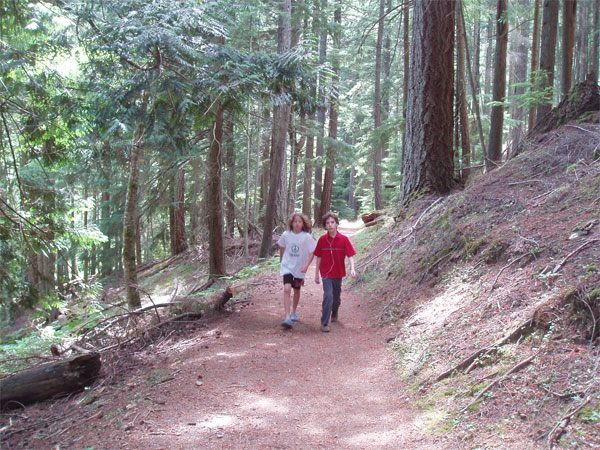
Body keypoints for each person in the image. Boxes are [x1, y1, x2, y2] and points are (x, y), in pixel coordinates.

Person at [303, 212, 356, 332]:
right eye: (327, 223)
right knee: (328, 295)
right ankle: (324, 322)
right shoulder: (322, 240)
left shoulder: (343, 239)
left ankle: (335, 313)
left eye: (332, 222)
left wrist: (352, 269)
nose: (330, 225)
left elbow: (350, 255)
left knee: (336, 298)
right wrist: (316, 274)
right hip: (326, 273)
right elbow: (319, 257)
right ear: (325, 226)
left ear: (336, 224)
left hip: (338, 272)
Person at [278, 213, 316, 329]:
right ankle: (287, 316)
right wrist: (282, 262)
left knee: (297, 290)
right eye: (295, 221)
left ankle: (294, 312)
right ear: (291, 223)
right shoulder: (286, 235)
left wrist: (306, 266)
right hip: (287, 266)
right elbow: (282, 247)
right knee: (287, 288)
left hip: (300, 267)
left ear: (303, 224)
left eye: (299, 222)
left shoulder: (307, 237)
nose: (297, 224)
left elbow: (312, 252)